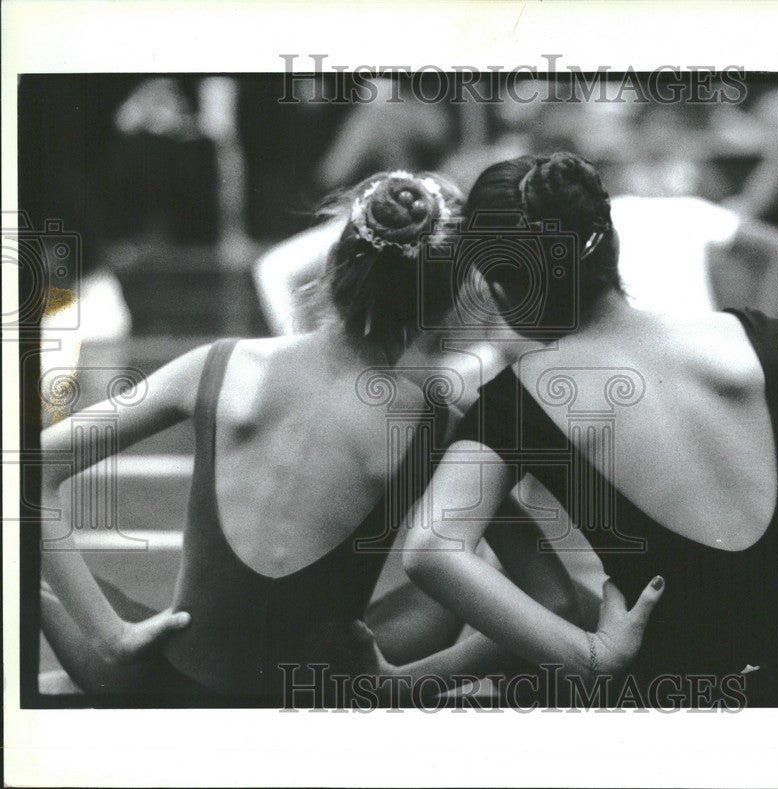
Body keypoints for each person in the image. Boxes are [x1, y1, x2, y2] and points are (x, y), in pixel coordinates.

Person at [38, 170, 651, 706]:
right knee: (478, 563)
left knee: (33, 568)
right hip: (321, 691)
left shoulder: (220, 365)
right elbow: (553, 599)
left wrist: (109, 634)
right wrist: (401, 684)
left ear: (332, 266)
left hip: (166, 679)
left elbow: (27, 469)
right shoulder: (431, 420)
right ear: (447, 305)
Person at [397, 153, 778, 706]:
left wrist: (587, 655)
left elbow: (431, 550)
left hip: (689, 696)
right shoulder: (745, 337)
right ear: (612, 247)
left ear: (502, 291)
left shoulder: (518, 400)